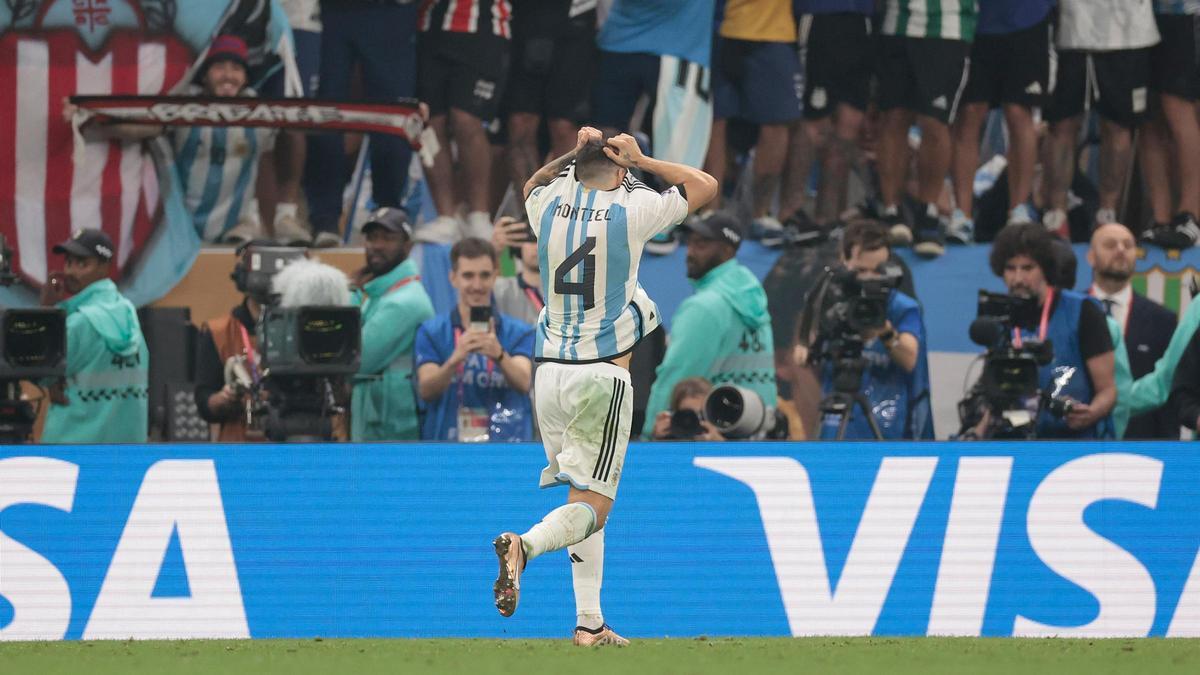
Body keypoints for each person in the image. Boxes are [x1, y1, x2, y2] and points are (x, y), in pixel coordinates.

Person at [491, 128, 716, 645]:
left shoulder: (545, 205)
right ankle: (523, 546)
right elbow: (704, 183)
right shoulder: (632, 212)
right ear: (619, 172)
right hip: (602, 375)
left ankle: (589, 621)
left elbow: (532, 181)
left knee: (582, 496)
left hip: (547, 372)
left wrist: (575, 151)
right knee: (595, 506)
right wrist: (643, 158)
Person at [793, 219, 933, 440]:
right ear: (844, 261)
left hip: (887, 431)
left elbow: (910, 360)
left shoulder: (902, 307)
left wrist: (884, 331)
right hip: (836, 424)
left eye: (878, 271)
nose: (869, 279)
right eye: (860, 270)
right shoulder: (828, 300)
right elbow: (807, 357)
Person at [641, 212, 776, 438]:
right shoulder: (753, 298)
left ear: (727, 251)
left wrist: (648, 436)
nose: (690, 253)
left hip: (715, 435)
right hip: (758, 430)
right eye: (690, 243)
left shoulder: (704, 308)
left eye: (702, 244)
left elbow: (675, 376)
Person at [303, 0, 419, 248]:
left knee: (392, 118)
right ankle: (324, 220)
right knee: (327, 115)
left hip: (392, 13)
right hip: (332, 12)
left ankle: (388, 217)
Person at [1041, 0, 1160, 239]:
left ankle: (1107, 215)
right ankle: (1056, 217)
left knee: (1117, 124)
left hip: (1128, 31)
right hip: (1069, 28)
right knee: (1061, 124)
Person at [989, 222, 1117, 438]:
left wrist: (1091, 412)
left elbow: (1108, 390)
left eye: (1028, 268)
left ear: (1045, 270)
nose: (1018, 278)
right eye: (1011, 268)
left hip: (1076, 444)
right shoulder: (997, 317)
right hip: (1017, 442)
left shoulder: (1083, 310)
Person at [875, 0, 978, 258]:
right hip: (895, 24)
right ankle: (892, 211)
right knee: (894, 117)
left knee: (934, 122)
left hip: (947, 28)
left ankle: (928, 212)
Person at [949, 0, 1053, 243]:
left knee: (1018, 112)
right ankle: (962, 215)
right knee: (971, 112)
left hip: (1028, 18)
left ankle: (1018, 211)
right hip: (973, 21)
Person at [415, 238, 535, 441]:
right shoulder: (431, 332)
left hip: (508, 447)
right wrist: (455, 359)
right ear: (453, 278)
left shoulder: (519, 332)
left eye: (485, 275)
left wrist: (499, 355)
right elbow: (426, 389)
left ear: (495, 276)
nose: (477, 285)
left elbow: (524, 382)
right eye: (468, 276)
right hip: (448, 446)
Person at [703, 0, 803, 243]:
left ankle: (761, 213)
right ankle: (710, 210)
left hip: (773, 33)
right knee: (715, 119)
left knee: (776, 124)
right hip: (720, 29)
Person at [417, 0, 514, 242]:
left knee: (467, 119)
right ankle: (445, 217)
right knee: (430, 120)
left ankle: (479, 216)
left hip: (484, 27)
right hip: (431, 28)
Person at [39, 229, 148, 443]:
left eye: (82, 264)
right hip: (127, 449)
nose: (71, 271)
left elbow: (40, 370)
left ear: (104, 267)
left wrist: (45, 309)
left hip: (73, 448)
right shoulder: (128, 313)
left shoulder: (79, 323)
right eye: (68, 262)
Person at [786, 0, 877, 232]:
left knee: (849, 121)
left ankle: (828, 219)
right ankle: (790, 213)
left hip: (861, 20)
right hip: (820, 15)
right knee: (814, 121)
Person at [350, 207, 435, 441]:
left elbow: (355, 359)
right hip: (377, 429)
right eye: (372, 237)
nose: (377, 245)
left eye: (388, 238)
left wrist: (352, 294)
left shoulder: (406, 301)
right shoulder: (381, 292)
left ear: (407, 245)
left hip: (392, 435)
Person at [1087, 223, 1178, 438]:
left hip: (1143, 445)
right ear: (1090, 257)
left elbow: (1169, 387)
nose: (1120, 250)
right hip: (1079, 440)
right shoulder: (1071, 313)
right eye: (1110, 245)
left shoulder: (1162, 319)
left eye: (1128, 245)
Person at [505, 0, 596, 191]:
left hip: (575, 23)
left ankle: (563, 207)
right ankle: (529, 212)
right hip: (524, 21)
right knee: (520, 124)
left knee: (564, 126)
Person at [193, 240, 278, 442]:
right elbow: (204, 400)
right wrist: (223, 399)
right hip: (238, 447)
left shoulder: (301, 329)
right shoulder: (218, 331)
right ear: (242, 278)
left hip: (290, 447)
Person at [1140, 1, 1200, 249]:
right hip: (1137, 19)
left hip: (1183, 13)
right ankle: (1161, 217)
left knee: (1178, 108)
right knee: (1148, 116)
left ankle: (1190, 215)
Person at [491, 216, 544, 326]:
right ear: (517, 247)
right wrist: (494, 252)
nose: (537, 247)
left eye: (542, 240)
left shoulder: (563, 289)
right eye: (531, 241)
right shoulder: (501, 288)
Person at [648, 377, 725, 441]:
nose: (696, 421)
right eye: (689, 416)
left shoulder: (725, 435)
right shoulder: (669, 435)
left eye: (702, 415)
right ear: (675, 416)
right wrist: (657, 439)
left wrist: (719, 445)